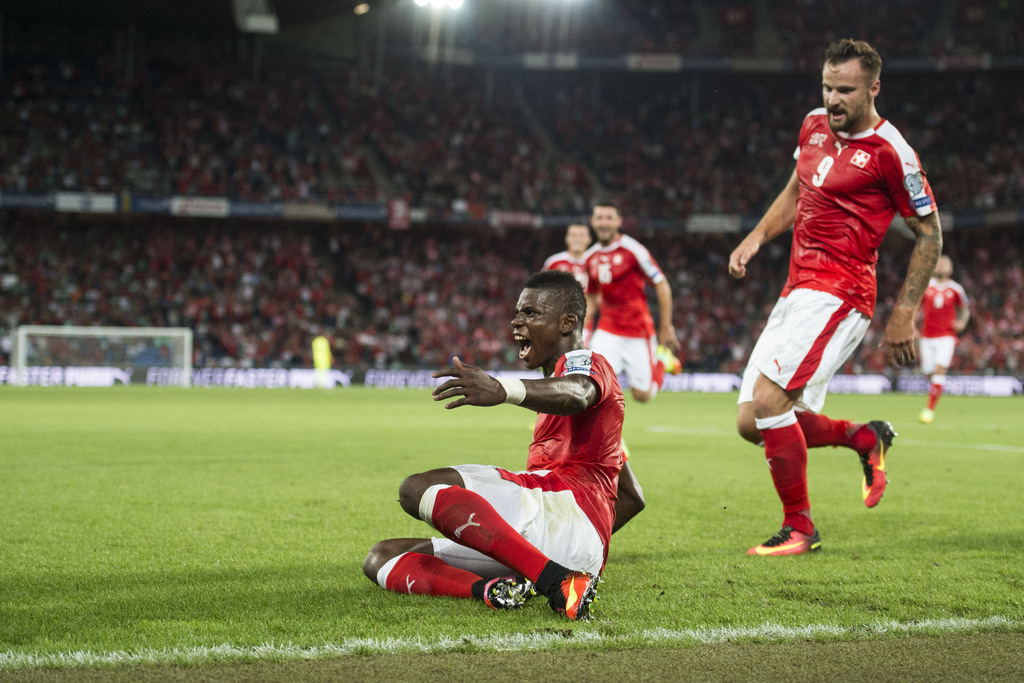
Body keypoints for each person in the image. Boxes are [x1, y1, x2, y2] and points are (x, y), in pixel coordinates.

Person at [727, 39, 942, 556]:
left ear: (873, 88)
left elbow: (930, 234)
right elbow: (797, 189)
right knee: (749, 422)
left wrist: (904, 313)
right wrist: (756, 237)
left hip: (841, 291)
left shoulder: (893, 152)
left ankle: (799, 528)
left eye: (844, 89)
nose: (833, 99)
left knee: (770, 403)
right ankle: (864, 437)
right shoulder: (813, 125)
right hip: (797, 285)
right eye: (827, 87)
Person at [363, 271, 644, 621]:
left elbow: (578, 392)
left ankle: (555, 581)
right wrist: (580, 546)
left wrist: (503, 389)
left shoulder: (586, 363)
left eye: (530, 313)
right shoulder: (579, 407)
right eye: (517, 312)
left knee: (416, 488)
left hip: (565, 511)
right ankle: (494, 590)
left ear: (567, 322)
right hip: (568, 543)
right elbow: (633, 496)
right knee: (382, 556)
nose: (516, 321)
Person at [582, 202, 681, 404]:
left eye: (609, 218)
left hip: (638, 330)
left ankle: (662, 362)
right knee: (594, 387)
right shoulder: (590, 257)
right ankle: (608, 437)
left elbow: (662, 285)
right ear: (592, 222)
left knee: (642, 396)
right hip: (607, 330)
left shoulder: (633, 250)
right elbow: (592, 296)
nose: (603, 223)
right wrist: (582, 327)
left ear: (618, 221)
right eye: (599, 218)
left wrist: (666, 326)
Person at [917, 255, 970, 425]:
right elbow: (913, 307)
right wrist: (912, 328)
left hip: (947, 337)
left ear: (950, 269)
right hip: (927, 336)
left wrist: (962, 322)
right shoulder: (926, 286)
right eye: (938, 264)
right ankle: (937, 391)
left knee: (940, 370)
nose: (941, 267)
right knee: (928, 372)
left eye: (944, 264)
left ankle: (929, 411)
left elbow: (965, 310)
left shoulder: (956, 289)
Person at [543, 223, 592, 292]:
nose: (577, 240)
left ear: (589, 239)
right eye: (573, 235)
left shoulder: (595, 262)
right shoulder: (553, 263)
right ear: (566, 238)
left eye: (582, 235)